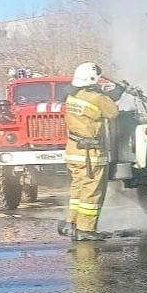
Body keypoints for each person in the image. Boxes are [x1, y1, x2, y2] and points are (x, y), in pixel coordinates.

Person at [57, 62, 125, 241]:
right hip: (90, 154)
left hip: (74, 150)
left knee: (78, 190)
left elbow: (93, 107)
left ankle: (72, 224)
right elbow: (112, 112)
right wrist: (117, 93)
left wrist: (108, 95)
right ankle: (86, 230)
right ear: (92, 79)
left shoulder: (73, 95)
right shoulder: (97, 98)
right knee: (91, 192)